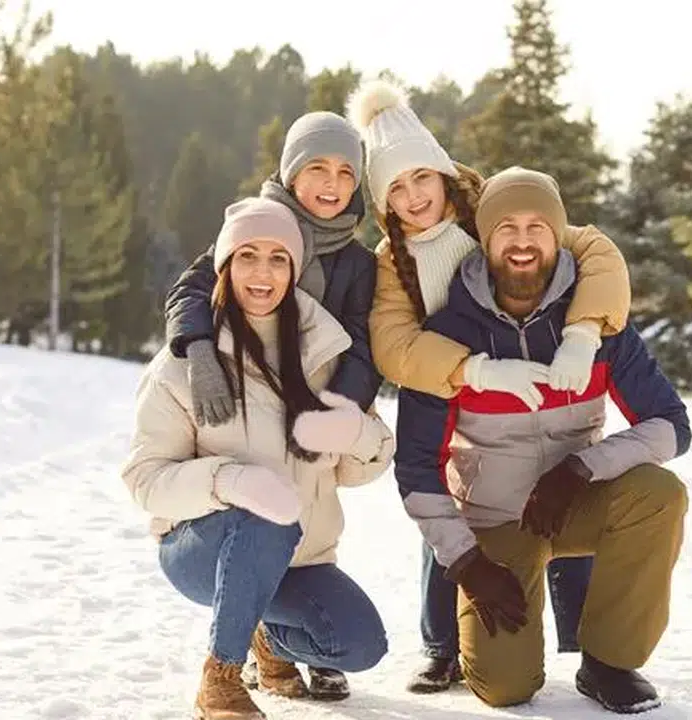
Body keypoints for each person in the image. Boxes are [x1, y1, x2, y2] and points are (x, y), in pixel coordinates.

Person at [348, 79, 632, 693]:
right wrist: (471, 370)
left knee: (565, 490)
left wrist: (583, 332)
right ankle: (442, 645)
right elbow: (393, 343)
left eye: (421, 178)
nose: (413, 195)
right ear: (384, 201)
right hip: (462, 398)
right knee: (448, 503)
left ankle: (584, 640)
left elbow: (594, 250)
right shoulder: (391, 262)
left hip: (546, 381)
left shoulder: (495, 212)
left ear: (443, 174)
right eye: (395, 187)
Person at [393, 167, 691, 713]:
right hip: (496, 522)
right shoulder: (447, 338)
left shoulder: (599, 327)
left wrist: (580, 469)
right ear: (484, 240)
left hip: (573, 503)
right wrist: (466, 563)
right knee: (506, 689)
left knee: (659, 494)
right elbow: (414, 469)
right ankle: (462, 644)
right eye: (506, 227)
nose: (523, 241)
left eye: (538, 227)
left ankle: (608, 664)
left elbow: (671, 425)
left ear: (558, 236)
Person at [122, 197, 394, 719]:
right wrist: (227, 482)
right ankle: (220, 678)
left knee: (360, 644)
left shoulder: (324, 352)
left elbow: (366, 465)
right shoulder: (182, 367)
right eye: (247, 256)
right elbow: (144, 478)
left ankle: (263, 635)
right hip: (203, 549)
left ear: (294, 270)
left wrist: (356, 431)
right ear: (225, 265)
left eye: (277, 258)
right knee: (265, 517)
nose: (262, 273)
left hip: (299, 559)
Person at [164, 111, 381, 428]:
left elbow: (363, 351)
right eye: (318, 167)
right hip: (238, 395)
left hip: (308, 406)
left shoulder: (358, 265)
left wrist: (330, 414)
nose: (332, 182)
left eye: (346, 172)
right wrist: (200, 351)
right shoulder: (254, 227)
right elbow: (190, 290)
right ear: (292, 173)